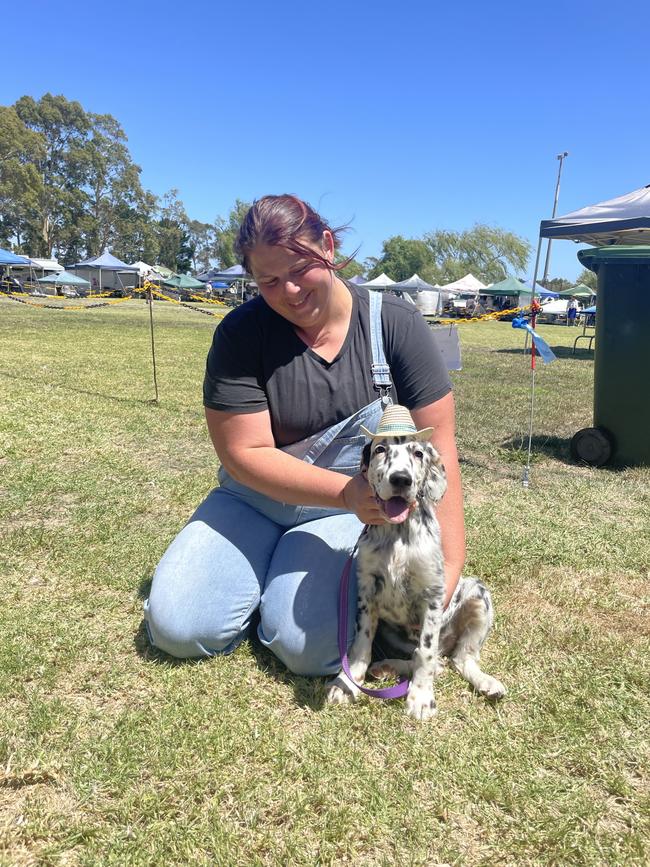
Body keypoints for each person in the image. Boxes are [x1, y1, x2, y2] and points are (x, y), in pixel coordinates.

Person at [144, 194, 465, 677]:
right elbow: (243, 452)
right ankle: (255, 581)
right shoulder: (240, 334)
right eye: (268, 281)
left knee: (310, 650)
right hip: (254, 500)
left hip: (344, 513)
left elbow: (439, 451)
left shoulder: (395, 323)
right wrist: (346, 491)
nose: (290, 291)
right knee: (179, 627)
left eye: (299, 269)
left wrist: (449, 571)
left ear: (328, 247)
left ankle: (272, 590)